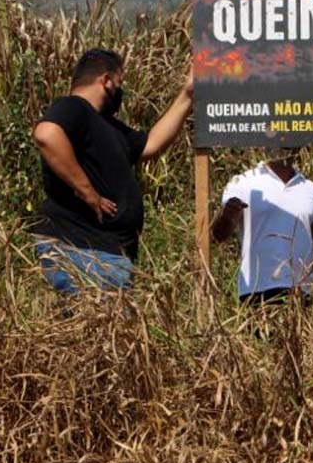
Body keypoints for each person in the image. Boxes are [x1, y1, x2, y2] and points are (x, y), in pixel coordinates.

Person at [31, 48, 192, 295]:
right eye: (120, 82)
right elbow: (47, 134)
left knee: (108, 333)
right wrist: (88, 193)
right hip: (83, 251)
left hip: (105, 255)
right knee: (95, 332)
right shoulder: (75, 107)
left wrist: (187, 96)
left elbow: (150, 145)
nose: (121, 89)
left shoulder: (109, 127)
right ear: (106, 81)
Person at [211, 148, 313, 305]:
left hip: (302, 293)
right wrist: (228, 216)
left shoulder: (311, 189)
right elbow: (219, 236)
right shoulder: (242, 183)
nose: (284, 144)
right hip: (257, 292)